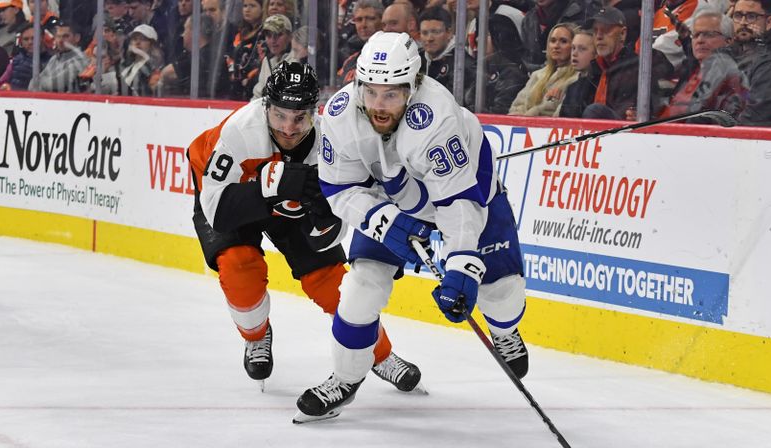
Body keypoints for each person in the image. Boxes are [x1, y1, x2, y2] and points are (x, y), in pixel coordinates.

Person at [298, 31, 529, 423]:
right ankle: (345, 377)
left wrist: (461, 267)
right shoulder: (339, 115)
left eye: (391, 94)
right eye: (370, 92)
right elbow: (339, 188)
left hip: (470, 191)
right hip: (392, 195)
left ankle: (505, 331)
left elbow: (458, 203)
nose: (378, 105)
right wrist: (380, 220)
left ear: (414, 85)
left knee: (501, 294)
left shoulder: (436, 118)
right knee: (360, 289)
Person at [188, 61, 423, 394]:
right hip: (229, 193)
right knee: (239, 267)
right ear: (265, 107)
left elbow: (340, 225)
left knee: (330, 282)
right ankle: (256, 336)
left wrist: (326, 216)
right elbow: (219, 214)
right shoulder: (240, 131)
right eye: (280, 115)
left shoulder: (331, 142)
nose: (288, 128)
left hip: (287, 200)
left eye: (300, 117)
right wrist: (271, 186)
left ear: (315, 112)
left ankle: (378, 354)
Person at [659, 8, 748, 120]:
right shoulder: (692, 68)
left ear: (729, 41)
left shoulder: (728, 72)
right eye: (696, 35)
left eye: (709, 34)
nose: (700, 40)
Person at [728, 0, 771, 126]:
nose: (743, 23)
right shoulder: (731, 51)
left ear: (769, 22)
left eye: (751, 17)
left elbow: (753, 120)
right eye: (738, 16)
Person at [508, 22, 579, 117]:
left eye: (563, 41)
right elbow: (517, 106)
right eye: (553, 41)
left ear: (574, 46)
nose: (556, 46)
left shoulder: (576, 79)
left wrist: (532, 115)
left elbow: (560, 116)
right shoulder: (537, 75)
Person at [29, 20, 88, 93]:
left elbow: (56, 84)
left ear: (77, 38)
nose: (60, 41)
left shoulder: (81, 60)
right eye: (58, 36)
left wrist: (40, 83)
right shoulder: (54, 59)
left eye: (65, 36)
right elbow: (32, 84)